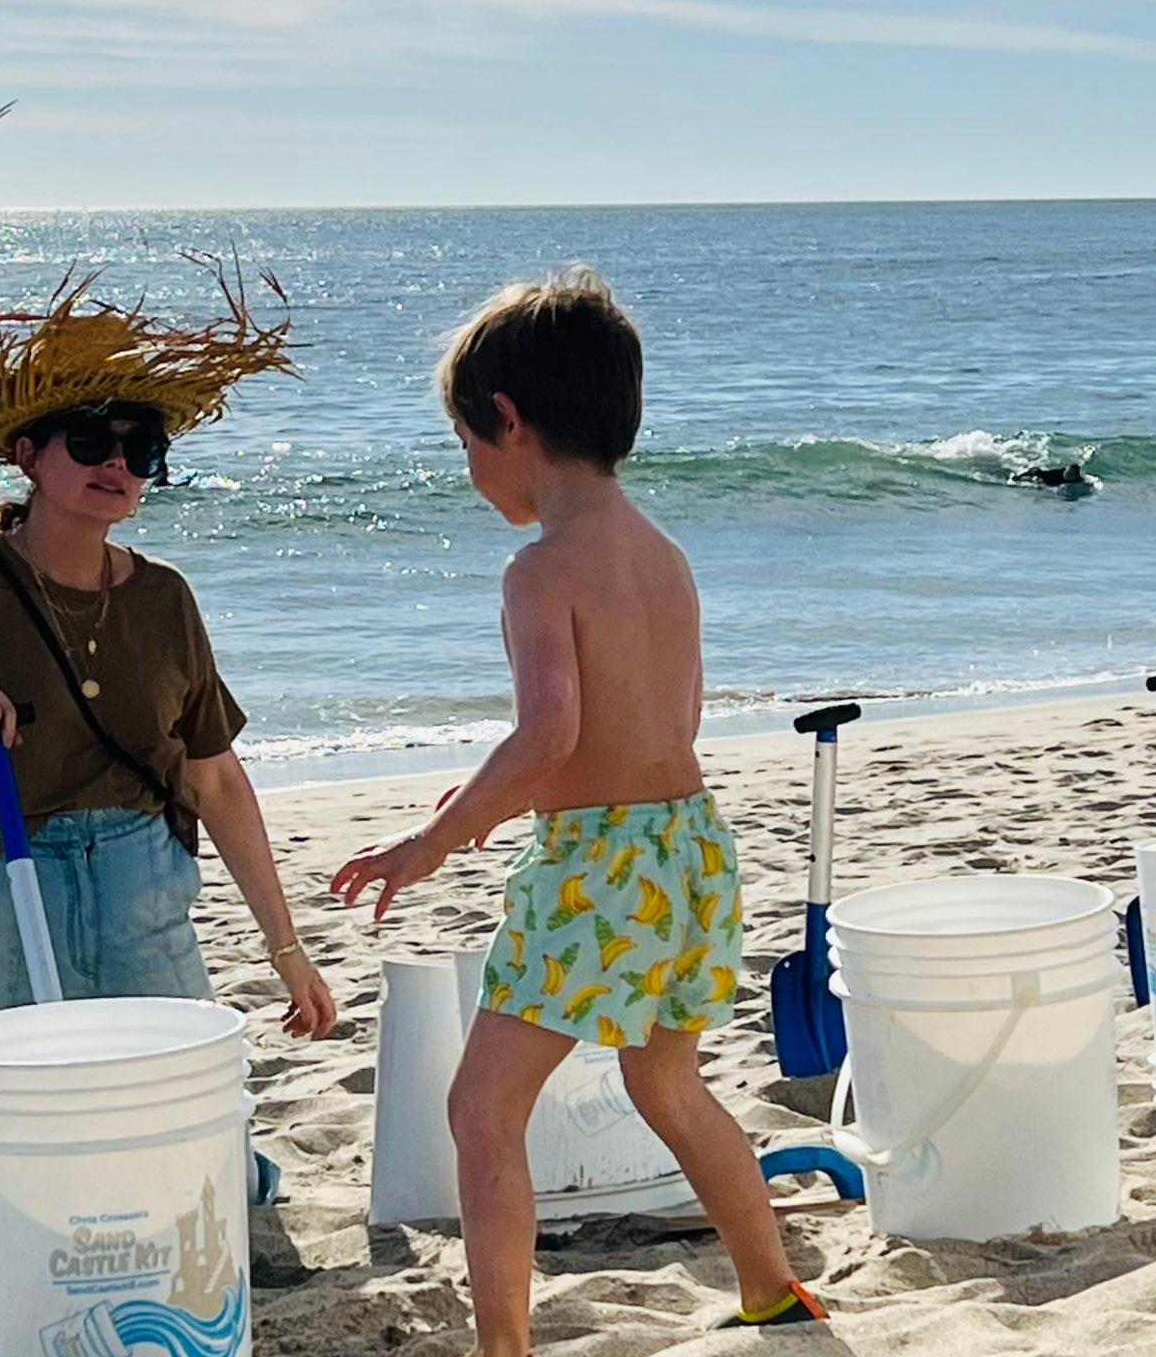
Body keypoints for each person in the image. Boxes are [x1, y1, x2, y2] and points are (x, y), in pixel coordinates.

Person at [332, 269, 826, 1353]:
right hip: (692, 846)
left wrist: (431, 841)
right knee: (669, 1080)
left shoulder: (538, 568)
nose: (470, 472)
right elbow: (662, 724)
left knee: (482, 1112)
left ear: (505, 419)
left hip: (599, 865)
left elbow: (551, 734)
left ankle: (504, 1347)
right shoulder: (665, 558)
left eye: (467, 444)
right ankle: (771, 1287)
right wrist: (500, 795)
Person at [0, 267, 339, 1223]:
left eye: (143, 449)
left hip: (143, 887)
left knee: (190, 1155)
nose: (119, 464)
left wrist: (286, 949)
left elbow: (216, 779)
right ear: (27, 455)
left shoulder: (165, 597)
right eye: (91, 441)